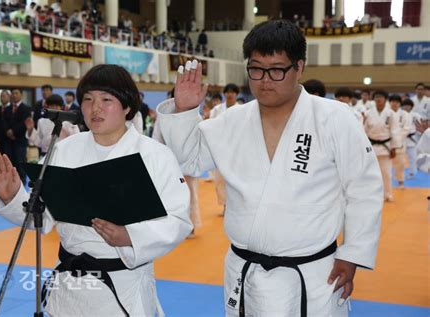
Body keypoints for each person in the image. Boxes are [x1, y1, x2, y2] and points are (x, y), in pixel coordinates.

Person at [156, 20, 383, 317]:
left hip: (311, 272)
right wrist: (185, 111)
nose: (265, 80)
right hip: (244, 269)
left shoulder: (334, 118)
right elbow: (190, 161)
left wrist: (352, 254)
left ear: (299, 68)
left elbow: (364, 189)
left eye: (277, 69)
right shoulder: (231, 121)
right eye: (256, 69)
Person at [0, 64, 192, 316]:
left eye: (106, 99)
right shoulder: (62, 149)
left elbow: (178, 219)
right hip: (70, 288)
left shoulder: (155, 155)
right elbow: (42, 217)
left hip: (123, 289)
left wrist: (130, 236)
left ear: (127, 106)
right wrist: (12, 197)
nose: (95, 108)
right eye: (88, 99)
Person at [210, 83, 241, 216]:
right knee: (220, 179)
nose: (230, 94)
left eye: (232, 92)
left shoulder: (242, 109)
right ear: (224, 94)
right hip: (220, 148)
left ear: (236, 94)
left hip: (237, 149)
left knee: (235, 180)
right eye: (227, 92)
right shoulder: (217, 109)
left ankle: (236, 206)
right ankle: (225, 206)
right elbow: (211, 126)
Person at [364, 89, 399, 202]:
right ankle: (370, 195)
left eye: (381, 97)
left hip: (386, 147)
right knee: (370, 173)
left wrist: (394, 147)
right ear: (373, 99)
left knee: (386, 173)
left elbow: (395, 131)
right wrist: (363, 147)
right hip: (371, 146)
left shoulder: (391, 114)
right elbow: (363, 131)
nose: (378, 99)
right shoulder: (368, 113)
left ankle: (387, 194)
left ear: (385, 99)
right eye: (376, 97)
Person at [4, 88, 32, 185]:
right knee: (10, 162)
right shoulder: (7, 109)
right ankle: (11, 182)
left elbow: (25, 124)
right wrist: (8, 131)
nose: (14, 95)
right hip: (8, 141)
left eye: (16, 93)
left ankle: (22, 182)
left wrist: (14, 132)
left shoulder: (26, 108)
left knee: (20, 162)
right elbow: (4, 122)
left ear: (21, 95)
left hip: (20, 140)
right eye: (13, 93)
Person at [388, 94, 411, 188]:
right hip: (386, 143)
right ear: (390, 103)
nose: (394, 104)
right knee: (386, 165)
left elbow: (406, 129)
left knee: (400, 163)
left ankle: (400, 181)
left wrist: (397, 139)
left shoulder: (406, 115)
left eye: (397, 102)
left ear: (400, 103)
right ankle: (387, 183)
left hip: (400, 143)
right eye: (393, 101)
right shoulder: (387, 113)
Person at [402, 98, 422, 178]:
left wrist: (419, 136)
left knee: (412, 157)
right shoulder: (400, 114)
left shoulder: (416, 115)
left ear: (411, 106)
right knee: (400, 158)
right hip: (402, 139)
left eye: (408, 105)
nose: (406, 107)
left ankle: (412, 173)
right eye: (405, 105)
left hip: (412, 138)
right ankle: (400, 174)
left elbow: (420, 126)